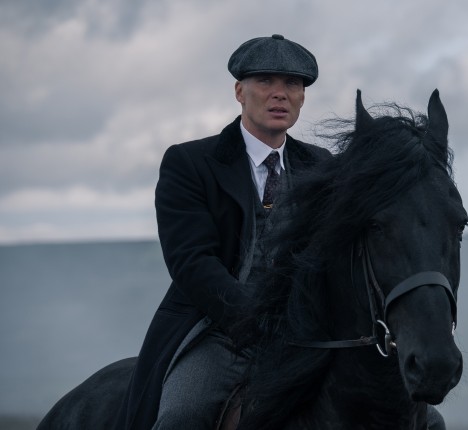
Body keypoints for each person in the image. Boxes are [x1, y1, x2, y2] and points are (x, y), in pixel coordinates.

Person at [116, 34, 331, 429]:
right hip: (217, 330)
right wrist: (257, 321)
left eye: (292, 84)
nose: (280, 94)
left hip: (308, 333)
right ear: (239, 92)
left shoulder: (322, 166)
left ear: (302, 97)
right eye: (265, 81)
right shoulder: (190, 162)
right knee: (182, 417)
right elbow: (191, 262)